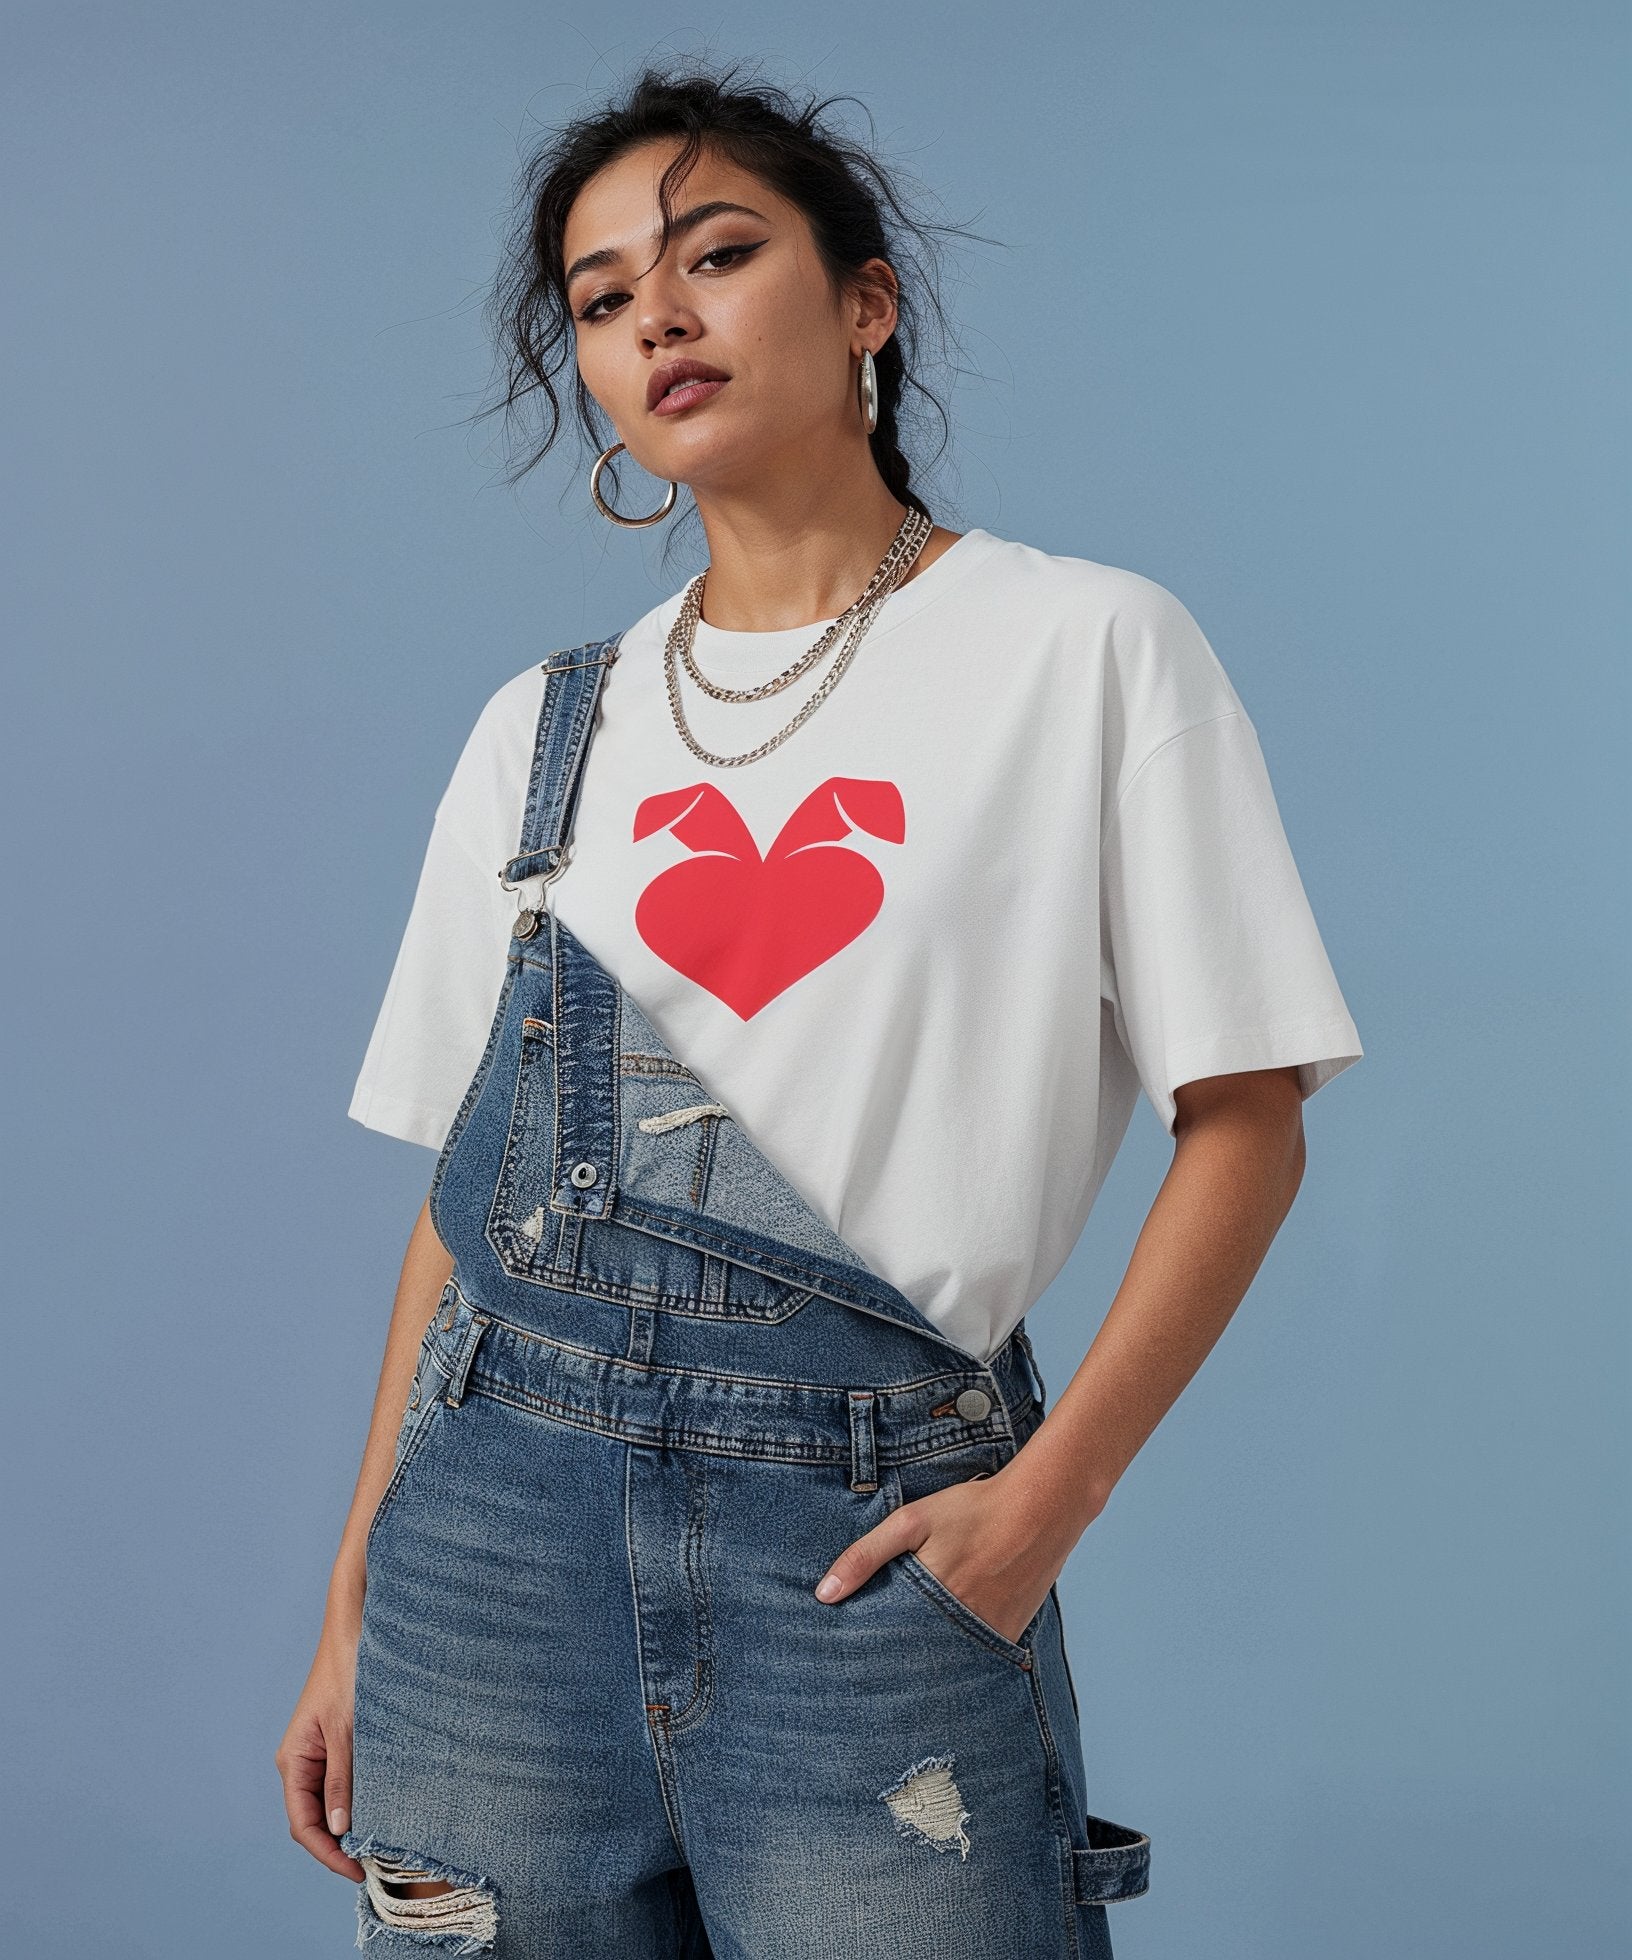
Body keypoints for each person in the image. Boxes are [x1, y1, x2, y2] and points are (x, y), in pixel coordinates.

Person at [276, 59, 1362, 1959]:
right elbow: (466, 1220)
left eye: (716, 254)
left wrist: (1043, 1508)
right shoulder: (544, 728)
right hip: (493, 1559)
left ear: (865, 300)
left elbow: (1249, 1122)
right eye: (604, 301)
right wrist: (361, 1595)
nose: (657, 319)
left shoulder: (1085, 650)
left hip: (869, 1542)